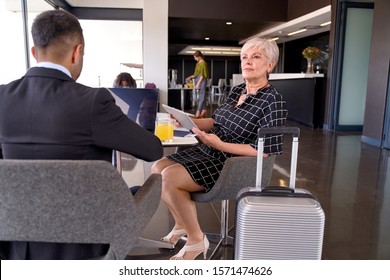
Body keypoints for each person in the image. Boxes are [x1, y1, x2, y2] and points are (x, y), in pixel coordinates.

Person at [0, 9, 163, 260]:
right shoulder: (92, 101)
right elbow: (153, 150)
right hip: (85, 242)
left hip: (16, 241)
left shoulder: (2, 97)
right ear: (77, 52)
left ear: (34, 52)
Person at [151, 37, 287, 260]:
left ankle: (196, 240)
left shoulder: (274, 100)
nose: (248, 62)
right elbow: (216, 121)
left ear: (270, 64)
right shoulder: (238, 90)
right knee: (157, 168)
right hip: (209, 151)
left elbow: (264, 151)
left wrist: (219, 144)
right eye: (244, 57)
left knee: (170, 177)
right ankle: (181, 224)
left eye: (256, 57)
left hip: (232, 162)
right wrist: (188, 121)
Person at [186, 50, 209, 118]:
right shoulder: (198, 64)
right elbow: (196, 74)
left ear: (199, 57)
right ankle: (204, 109)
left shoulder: (203, 63)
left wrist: (198, 83)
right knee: (201, 96)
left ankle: (198, 112)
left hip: (202, 80)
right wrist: (190, 77)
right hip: (197, 80)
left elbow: (202, 75)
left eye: (195, 57)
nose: (195, 59)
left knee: (201, 96)